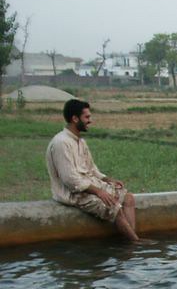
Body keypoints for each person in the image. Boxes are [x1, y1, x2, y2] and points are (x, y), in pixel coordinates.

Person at [46, 99, 141, 241]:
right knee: (114, 207)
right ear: (75, 119)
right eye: (87, 117)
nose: (90, 121)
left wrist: (108, 180)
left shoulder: (80, 141)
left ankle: (132, 238)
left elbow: (92, 169)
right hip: (73, 194)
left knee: (128, 198)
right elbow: (70, 180)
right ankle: (136, 244)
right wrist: (99, 192)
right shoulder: (61, 143)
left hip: (88, 188)